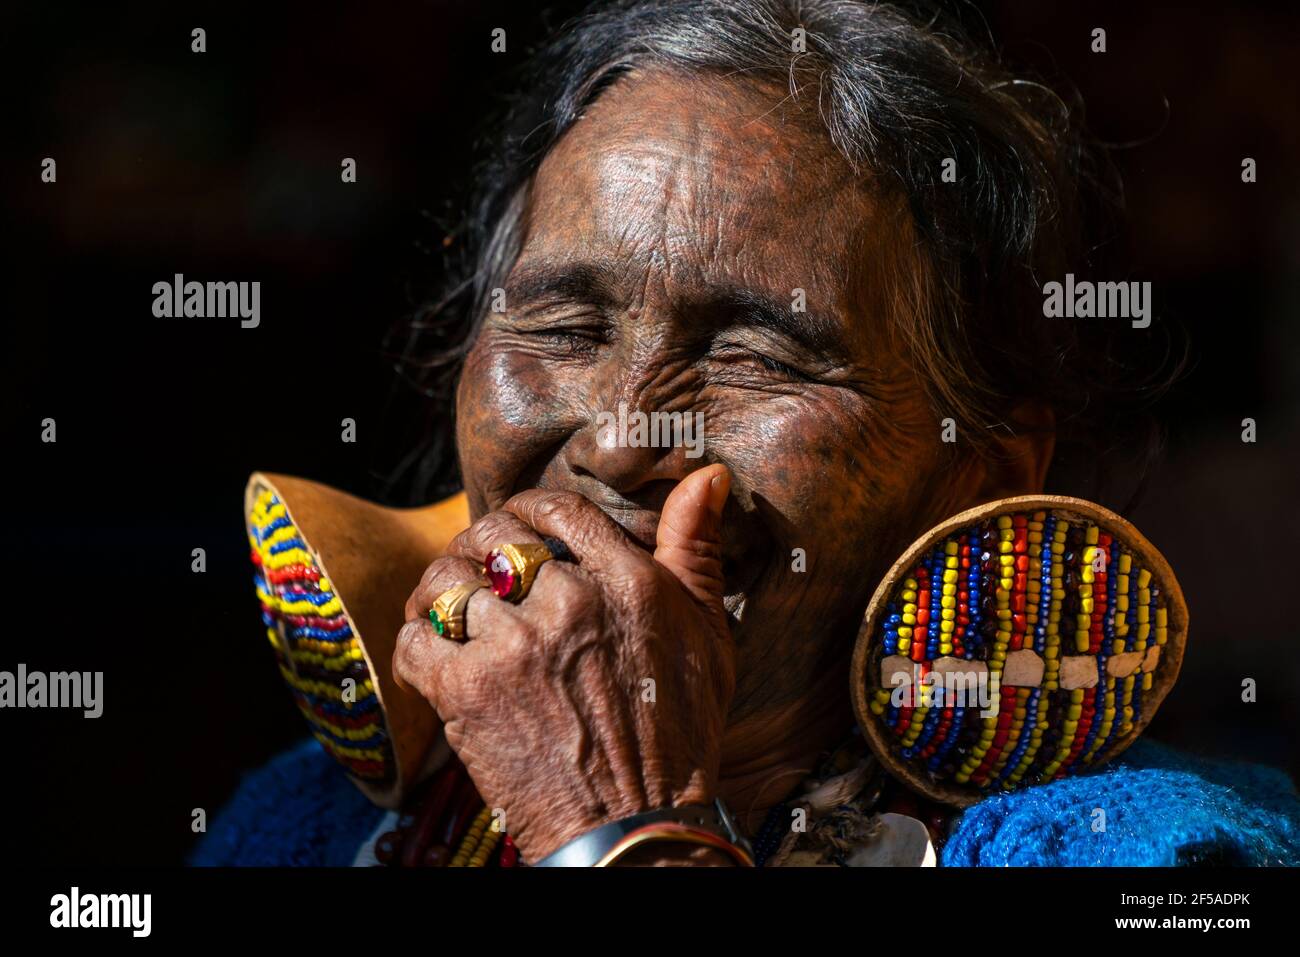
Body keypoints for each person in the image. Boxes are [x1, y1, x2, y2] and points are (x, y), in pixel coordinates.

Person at [193, 0, 1300, 867]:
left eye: (755, 356)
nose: (622, 443)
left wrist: (617, 825)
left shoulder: (1162, 851)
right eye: (566, 324)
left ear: (976, 469)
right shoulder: (305, 826)